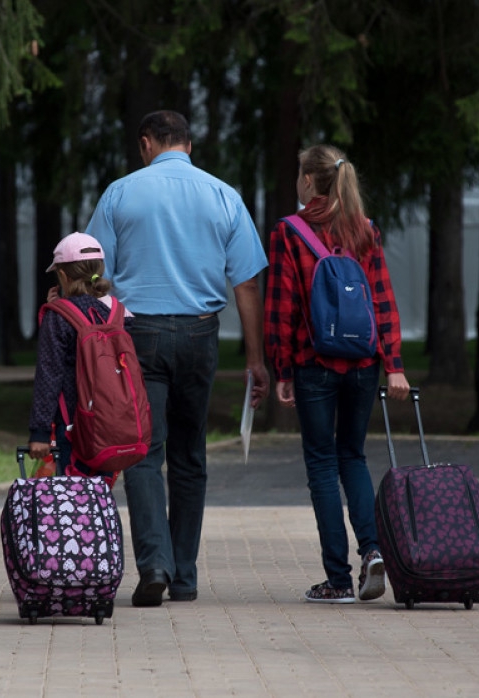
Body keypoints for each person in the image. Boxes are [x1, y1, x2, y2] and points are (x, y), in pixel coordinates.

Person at [85, 110, 269, 607]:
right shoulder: (223, 195)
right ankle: (184, 575)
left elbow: (96, 273)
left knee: (143, 453)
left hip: (137, 336)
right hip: (199, 335)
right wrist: (255, 357)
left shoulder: (120, 193)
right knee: (191, 455)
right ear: (189, 144)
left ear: (147, 143)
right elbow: (246, 282)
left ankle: (155, 565)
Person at [264, 145, 410, 604]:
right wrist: (395, 366)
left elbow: (282, 306)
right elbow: (382, 301)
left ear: (309, 180)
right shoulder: (364, 229)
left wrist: (282, 366)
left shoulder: (290, 231)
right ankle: (371, 550)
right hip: (364, 365)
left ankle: (338, 580)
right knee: (353, 456)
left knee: (322, 465)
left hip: (315, 364)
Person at [27, 232, 127, 486]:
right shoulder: (119, 313)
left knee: (73, 498)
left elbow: (49, 374)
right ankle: (103, 527)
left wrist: (39, 432)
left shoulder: (58, 317)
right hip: (114, 423)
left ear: (63, 275)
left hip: (73, 425)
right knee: (100, 495)